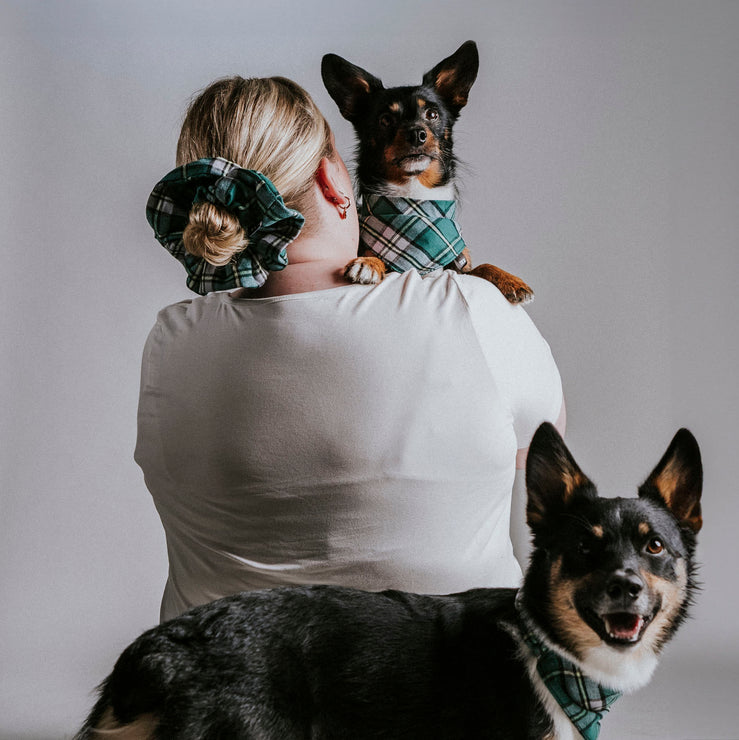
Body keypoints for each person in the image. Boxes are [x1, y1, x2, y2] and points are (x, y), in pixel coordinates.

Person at [137, 76, 565, 623]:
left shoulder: (171, 343)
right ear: (334, 179)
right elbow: (543, 452)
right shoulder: (474, 309)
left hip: (215, 695)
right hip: (452, 699)